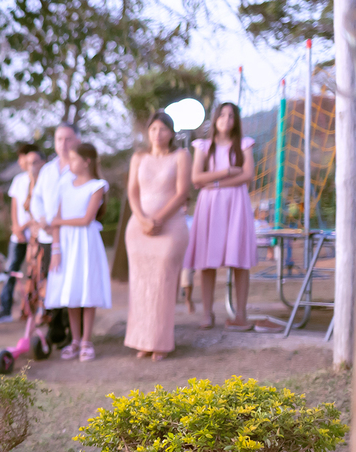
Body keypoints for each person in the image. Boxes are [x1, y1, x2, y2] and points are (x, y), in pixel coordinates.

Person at [123, 111, 191, 361]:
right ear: (147, 132)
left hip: (170, 226)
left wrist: (159, 219)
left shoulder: (181, 156)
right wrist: (143, 219)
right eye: (153, 129)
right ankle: (142, 340)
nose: (157, 134)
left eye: (162, 129)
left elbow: (182, 192)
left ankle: (160, 341)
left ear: (171, 132)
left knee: (163, 282)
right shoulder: (138, 158)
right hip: (139, 228)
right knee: (141, 285)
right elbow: (132, 192)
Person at [184, 102, 258, 330]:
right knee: (207, 260)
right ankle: (207, 313)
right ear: (215, 119)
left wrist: (215, 183)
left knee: (239, 259)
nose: (226, 119)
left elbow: (248, 175)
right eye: (222, 115)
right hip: (210, 206)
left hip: (236, 204)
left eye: (231, 115)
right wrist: (226, 173)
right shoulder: (203, 146)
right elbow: (196, 178)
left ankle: (240, 314)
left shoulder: (244, 144)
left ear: (236, 120)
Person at [45, 143, 111, 361]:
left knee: (87, 290)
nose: (70, 163)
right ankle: (74, 340)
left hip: (85, 243)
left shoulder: (97, 186)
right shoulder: (65, 184)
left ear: (86, 161)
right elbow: (56, 218)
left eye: (74, 159)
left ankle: (86, 341)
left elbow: (86, 219)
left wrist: (59, 222)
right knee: (71, 292)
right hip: (66, 244)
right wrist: (56, 249)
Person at [31, 122, 81, 347]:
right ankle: (56, 328)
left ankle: (74, 330)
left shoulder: (80, 168)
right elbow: (37, 198)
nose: (64, 144)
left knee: (72, 283)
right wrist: (42, 220)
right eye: (59, 139)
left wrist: (60, 224)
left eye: (68, 139)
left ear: (77, 140)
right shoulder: (48, 170)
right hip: (47, 236)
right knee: (51, 283)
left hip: (71, 236)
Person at [0, 144, 44, 321]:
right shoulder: (19, 180)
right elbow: (15, 205)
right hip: (19, 235)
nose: (21, 162)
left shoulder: (43, 180)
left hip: (36, 234)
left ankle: (36, 309)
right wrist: (16, 227)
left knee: (36, 272)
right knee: (11, 270)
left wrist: (26, 226)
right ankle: (5, 309)